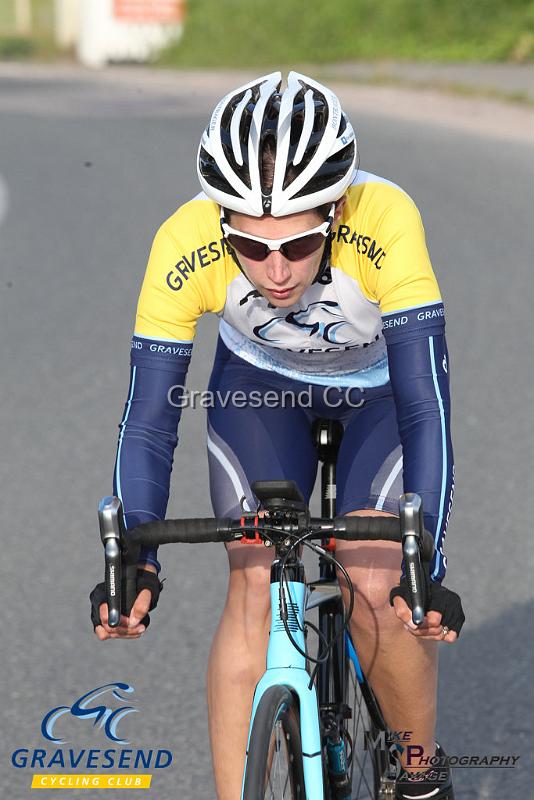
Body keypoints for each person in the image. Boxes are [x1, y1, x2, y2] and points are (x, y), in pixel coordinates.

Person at [90, 71, 465, 800]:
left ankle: (420, 776)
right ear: (220, 222)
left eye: (298, 243)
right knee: (253, 575)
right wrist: (137, 557)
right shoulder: (182, 240)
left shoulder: (385, 219)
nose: (275, 270)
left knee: (374, 576)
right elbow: (148, 416)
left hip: (383, 392)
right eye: (249, 247)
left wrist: (429, 565)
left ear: (334, 208)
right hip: (260, 386)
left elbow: (426, 407)